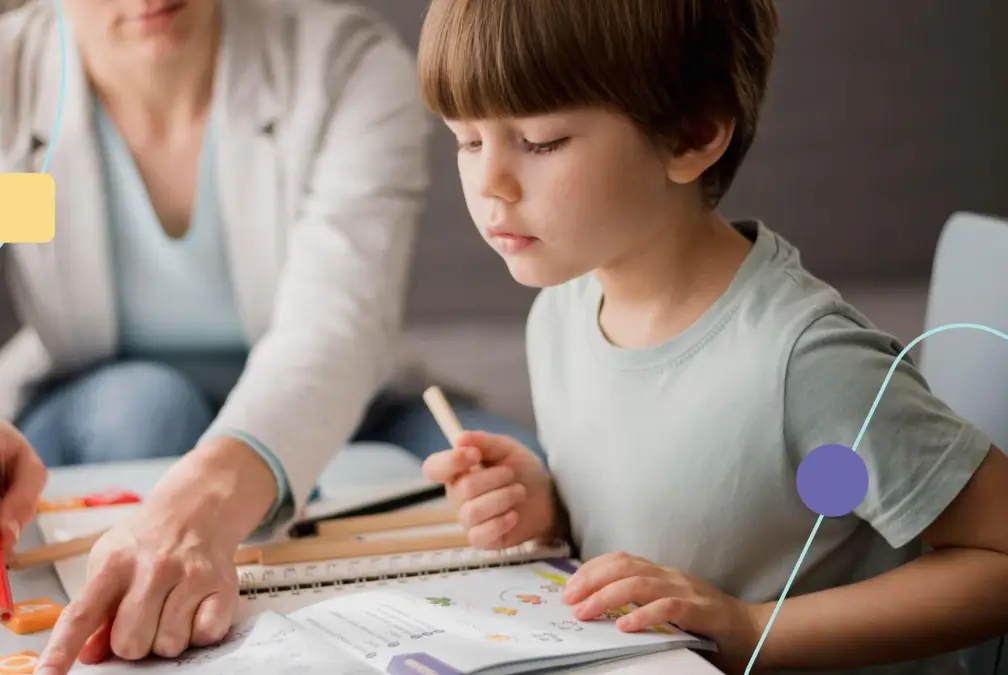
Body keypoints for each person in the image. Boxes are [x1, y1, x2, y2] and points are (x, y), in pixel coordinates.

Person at [0, 0, 538, 671]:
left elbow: (336, 335)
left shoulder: (345, 64)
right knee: (148, 408)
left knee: (528, 483)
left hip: (337, 402)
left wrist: (203, 502)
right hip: (105, 404)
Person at [415, 1, 1008, 674]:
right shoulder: (559, 313)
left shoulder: (804, 363)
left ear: (692, 135)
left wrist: (753, 628)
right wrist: (548, 510)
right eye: (466, 139)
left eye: (541, 140)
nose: (489, 182)